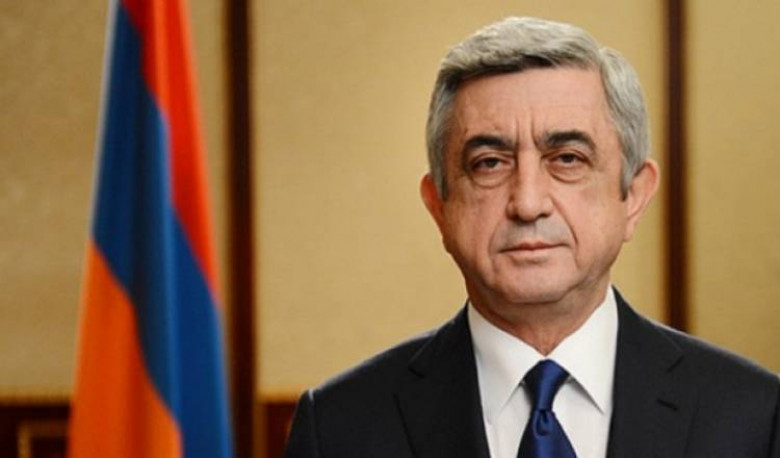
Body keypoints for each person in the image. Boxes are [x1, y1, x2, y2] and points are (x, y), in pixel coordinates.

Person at [284, 17, 780, 458]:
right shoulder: (340, 427)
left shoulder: (754, 416)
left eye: (567, 159)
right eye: (489, 164)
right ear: (439, 206)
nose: (527, 202)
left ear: (633, 196)